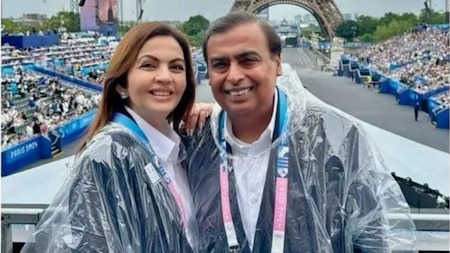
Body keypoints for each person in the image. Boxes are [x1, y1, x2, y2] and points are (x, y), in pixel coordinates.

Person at [184, 12, 416, 253]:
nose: (234, 75)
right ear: (208, 73)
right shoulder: (195, 138)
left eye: (248, 60)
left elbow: (371, 240)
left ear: (277, 63)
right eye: (220, 64)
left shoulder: (339, 135)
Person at [21, 22, 210, 253]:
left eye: (177, 67)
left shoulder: (178, 148)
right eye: (149, 65)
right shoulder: (108, 154)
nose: (165, 76)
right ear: (122, 84)